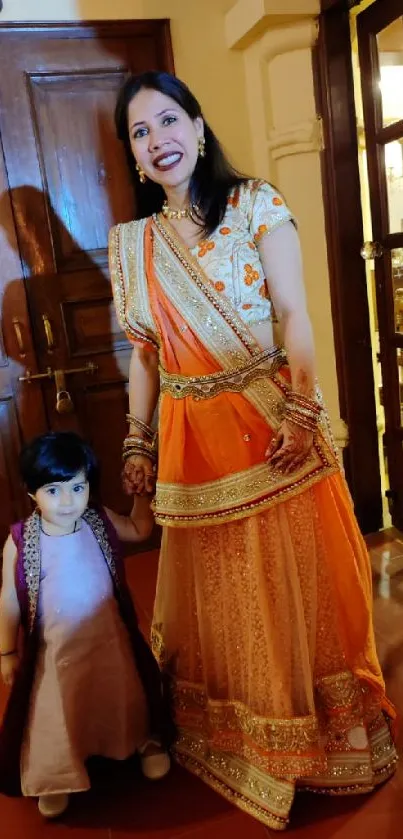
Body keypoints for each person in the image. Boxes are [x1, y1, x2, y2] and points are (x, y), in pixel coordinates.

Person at [108, 70, 397, 831]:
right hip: (192, 445)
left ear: (198, 129)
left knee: (291, 581)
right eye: (139, 132)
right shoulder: (133, 243)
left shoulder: (255, 204)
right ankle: (239, 738)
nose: (158, 140)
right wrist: (137, 440)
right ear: (134, 156)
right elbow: (144, 355)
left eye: (168, 121)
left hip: (270, 425)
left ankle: (317, 741)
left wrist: (302, 408)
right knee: (221, 588)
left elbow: (295, 314)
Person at [0, 431, 172, 819]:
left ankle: (142, 741)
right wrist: (7, 651)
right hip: (55, 653)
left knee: (122, 693)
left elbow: (140, 530)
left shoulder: (98, 519)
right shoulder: (22, 539)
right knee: (60, 707)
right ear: (32, 493)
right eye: (54, 490)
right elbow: (8, 599)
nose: (69, 501)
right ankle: (57, 773)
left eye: (78, 487)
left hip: (109, 640)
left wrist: (142, 495)